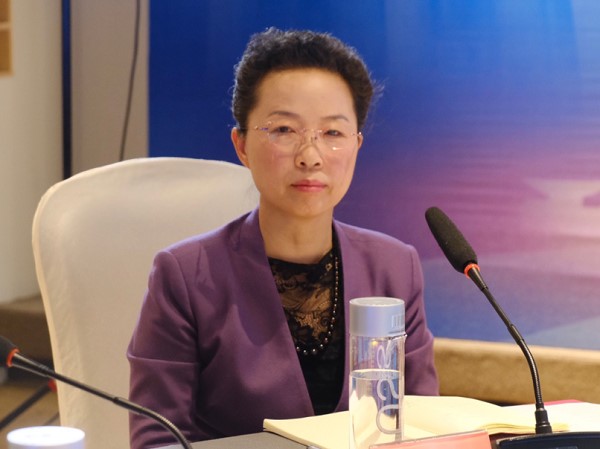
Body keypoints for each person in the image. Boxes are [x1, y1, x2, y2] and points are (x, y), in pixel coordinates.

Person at [127, 27, 439, 448]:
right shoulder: (185, 276)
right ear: (241, 145)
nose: (310, 156)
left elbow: (425, 425)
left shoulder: (394, 267)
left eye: (332, 133)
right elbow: (156, 440)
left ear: (357, 145)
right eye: (284, 130)